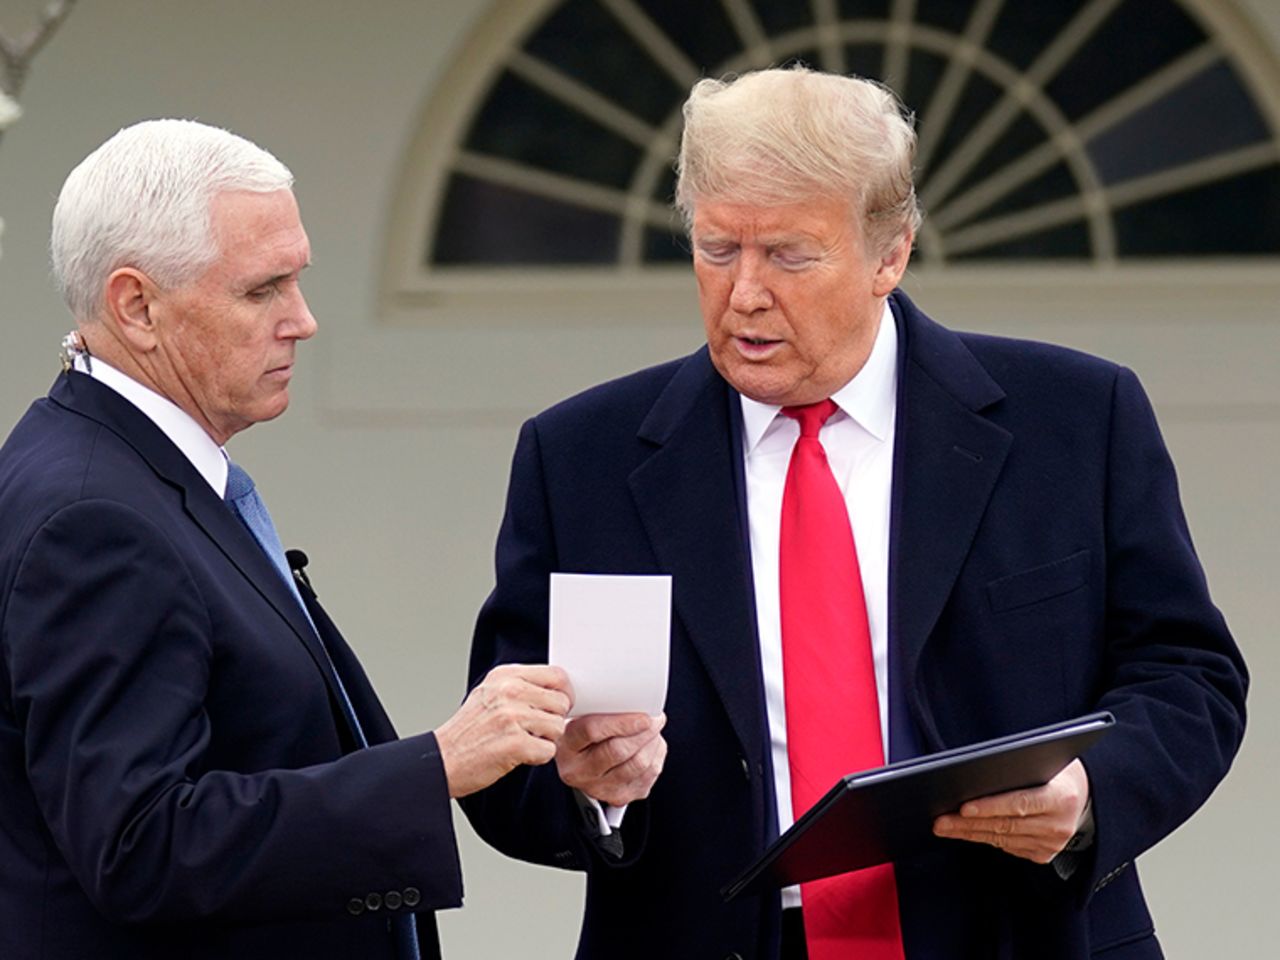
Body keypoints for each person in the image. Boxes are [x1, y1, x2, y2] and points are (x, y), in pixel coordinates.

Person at [461, 67, 1248, 960]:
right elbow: (503, 766)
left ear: (891, 254)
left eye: (789, 256)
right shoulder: (580, 459)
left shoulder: (1075, 417)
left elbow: (1191, 677)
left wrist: (1092, 790)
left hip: (1016, 931)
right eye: (718, 250)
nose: (745, 293)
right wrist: (583, 786)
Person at [0, 119, 573, 960]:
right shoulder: (95, 516)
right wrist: (436, 766)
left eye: (297, 281)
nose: (302, 320)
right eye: (262, 290)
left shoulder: (132, 472)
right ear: (137, 306)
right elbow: (143, 846)